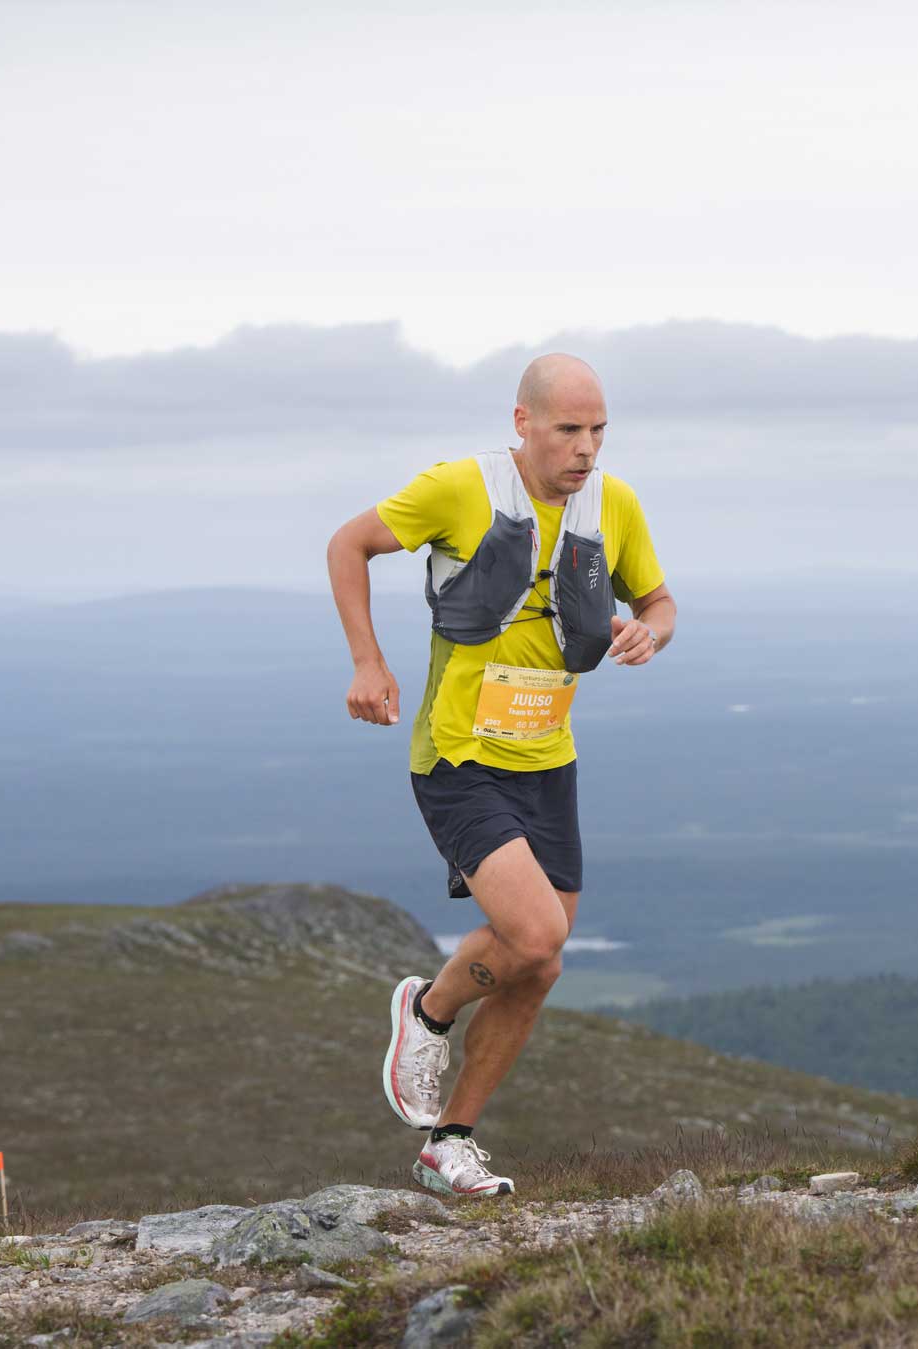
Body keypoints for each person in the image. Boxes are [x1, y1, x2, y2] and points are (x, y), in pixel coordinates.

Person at [325, 353, 675, 1198]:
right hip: (459, 755)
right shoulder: (461, 488)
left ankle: (451, 1141)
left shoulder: (614, 504)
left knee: (542, 962)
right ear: (522, 423)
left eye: (597, 430)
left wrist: (649, 632)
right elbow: (350, 543)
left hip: (549, 760)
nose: (586, 448)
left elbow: (660, 602)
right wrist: (367, 661)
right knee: (536, 934)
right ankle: (428, 1012)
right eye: (568, 429)